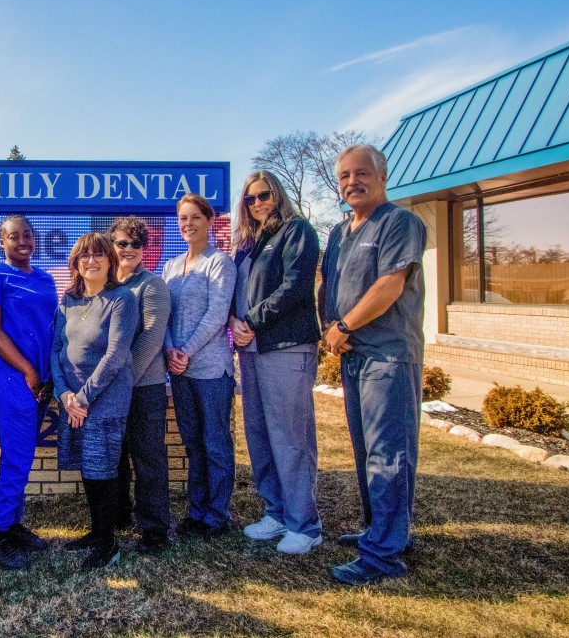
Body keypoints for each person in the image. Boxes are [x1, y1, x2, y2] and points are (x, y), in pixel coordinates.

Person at [320, 144, 426, 586]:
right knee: (367, 452)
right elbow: (326, 281)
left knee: (389, 453)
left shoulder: (400, 222)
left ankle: (383, 556)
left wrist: (343, 324)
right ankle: (383, 531)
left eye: (361, 173)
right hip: (354, 355)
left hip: (389, 356)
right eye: (344, 176)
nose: (351, 182)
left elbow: (389, 285)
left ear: (382, 176)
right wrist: (330, 328)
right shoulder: (339, 231)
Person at [230, 172, 323, 555]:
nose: (258, 204)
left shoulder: (296, 231)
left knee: (290, 437)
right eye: (250, 199)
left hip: (285, 346)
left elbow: (296, 286)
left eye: (264, 195)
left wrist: (251, 322)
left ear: (277, 195)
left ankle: (305, 524)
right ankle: (277, 513)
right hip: (250, 350)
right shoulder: (250, 243)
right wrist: (235, 324)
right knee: (260, 434)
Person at [0, 214, 58, 570]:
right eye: (13, 236)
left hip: (40, 379)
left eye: (27, 234)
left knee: (22, 454)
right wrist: (28, 371)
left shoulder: (45, 278)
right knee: (17, 456)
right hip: (13, 376)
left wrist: (47, 374)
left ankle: (13, 524)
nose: (22, 240)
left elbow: (52, 327)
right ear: (1, 242)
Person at [52, 233, 139, 569]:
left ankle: (107, 541)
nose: (91, 261)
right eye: (84, 256)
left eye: (99, 255)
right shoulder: (68, 301)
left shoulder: (122, 299)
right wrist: (64, 395)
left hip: (104, 400)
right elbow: (56, 350)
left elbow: (116, 354)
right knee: (88, 468)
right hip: (73, 400)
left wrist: (83, 399)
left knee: (102, 468)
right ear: (76, 262)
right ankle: (97, 531)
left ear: (110, 261)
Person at [162, 193, 237, 540]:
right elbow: (162, 315)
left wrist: (186, 350)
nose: (188, 224)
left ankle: (217, 515)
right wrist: (170, 351)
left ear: (210, 221)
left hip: (210, 370)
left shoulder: (219, 263)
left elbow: (217, 315)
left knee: (216, 443)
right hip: (179, 370)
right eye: (182, 218)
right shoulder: (171, 267)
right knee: (193, 443)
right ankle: (196, 511)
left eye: (195, 217)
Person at [108, 217, 173, 553]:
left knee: (148, 457)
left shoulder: (152, 285)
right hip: (111, 389)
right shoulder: (104, 285)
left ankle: (155, 528)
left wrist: (121, 380)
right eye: (122, 243)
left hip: (142, 386)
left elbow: (151, 338)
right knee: (115, 456)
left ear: (145, 248)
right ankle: (119, 516)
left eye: (136, 244)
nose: (129, 249)